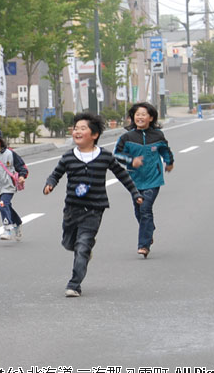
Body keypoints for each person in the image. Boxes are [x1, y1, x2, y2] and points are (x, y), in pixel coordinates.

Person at [43, 112, 143, 297]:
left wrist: (135, 193)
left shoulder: (104, 156)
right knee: (68, 243)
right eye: (75, 129)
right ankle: (85, 250)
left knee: (82, 246)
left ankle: (74, 284)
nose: (77, 132)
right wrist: (50, 184)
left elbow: (122, 175)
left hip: (94, 209)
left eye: (83, 128)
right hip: (72, 209)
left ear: (94, 134)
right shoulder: (68, 157)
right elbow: (56, 174)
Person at [113, 102, 175, 258]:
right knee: (139, 211)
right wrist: (131, 160)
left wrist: (169, 162)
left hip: (153, 179)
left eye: (143, 114)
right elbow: (117, 154)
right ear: (133, 117)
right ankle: (148, 229)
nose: (140, 117)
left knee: (145, 209)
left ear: (151, 117)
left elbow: (165, 150)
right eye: (137, 114)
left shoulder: (158, 136)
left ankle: (144, 245)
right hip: (134, 180)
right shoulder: (127, 137)